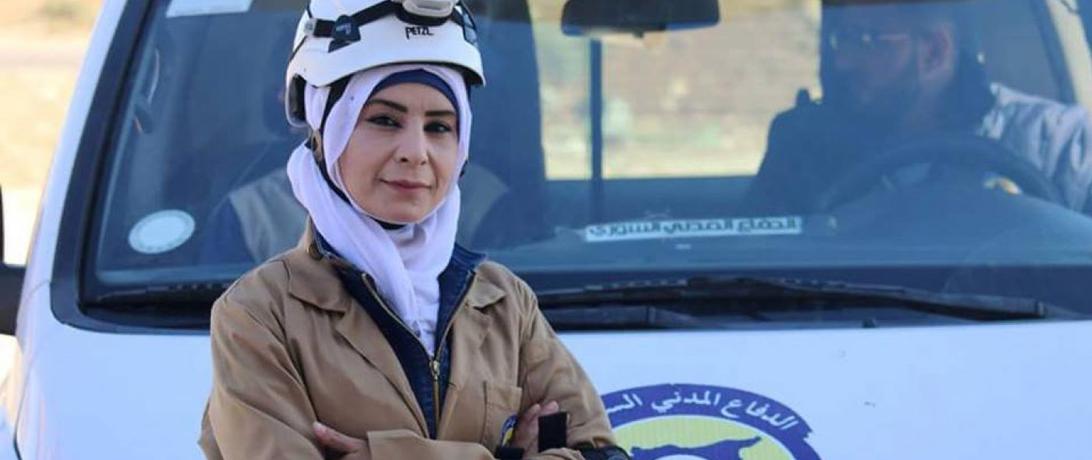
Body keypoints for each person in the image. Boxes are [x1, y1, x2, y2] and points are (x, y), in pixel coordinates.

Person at [198, 1, 626, 459]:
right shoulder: (260, 315)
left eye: (439, 126)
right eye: (384, 120)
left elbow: (601, 453)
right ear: (326, 124)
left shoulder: (505, 303)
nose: (416, 152)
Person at [744, 0, 1092, 214]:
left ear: (934, 51)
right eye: (839, 38)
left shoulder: (1059, 145)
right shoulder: (804, 144)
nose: (843, 61)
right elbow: (760, 267)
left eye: (865, 40)